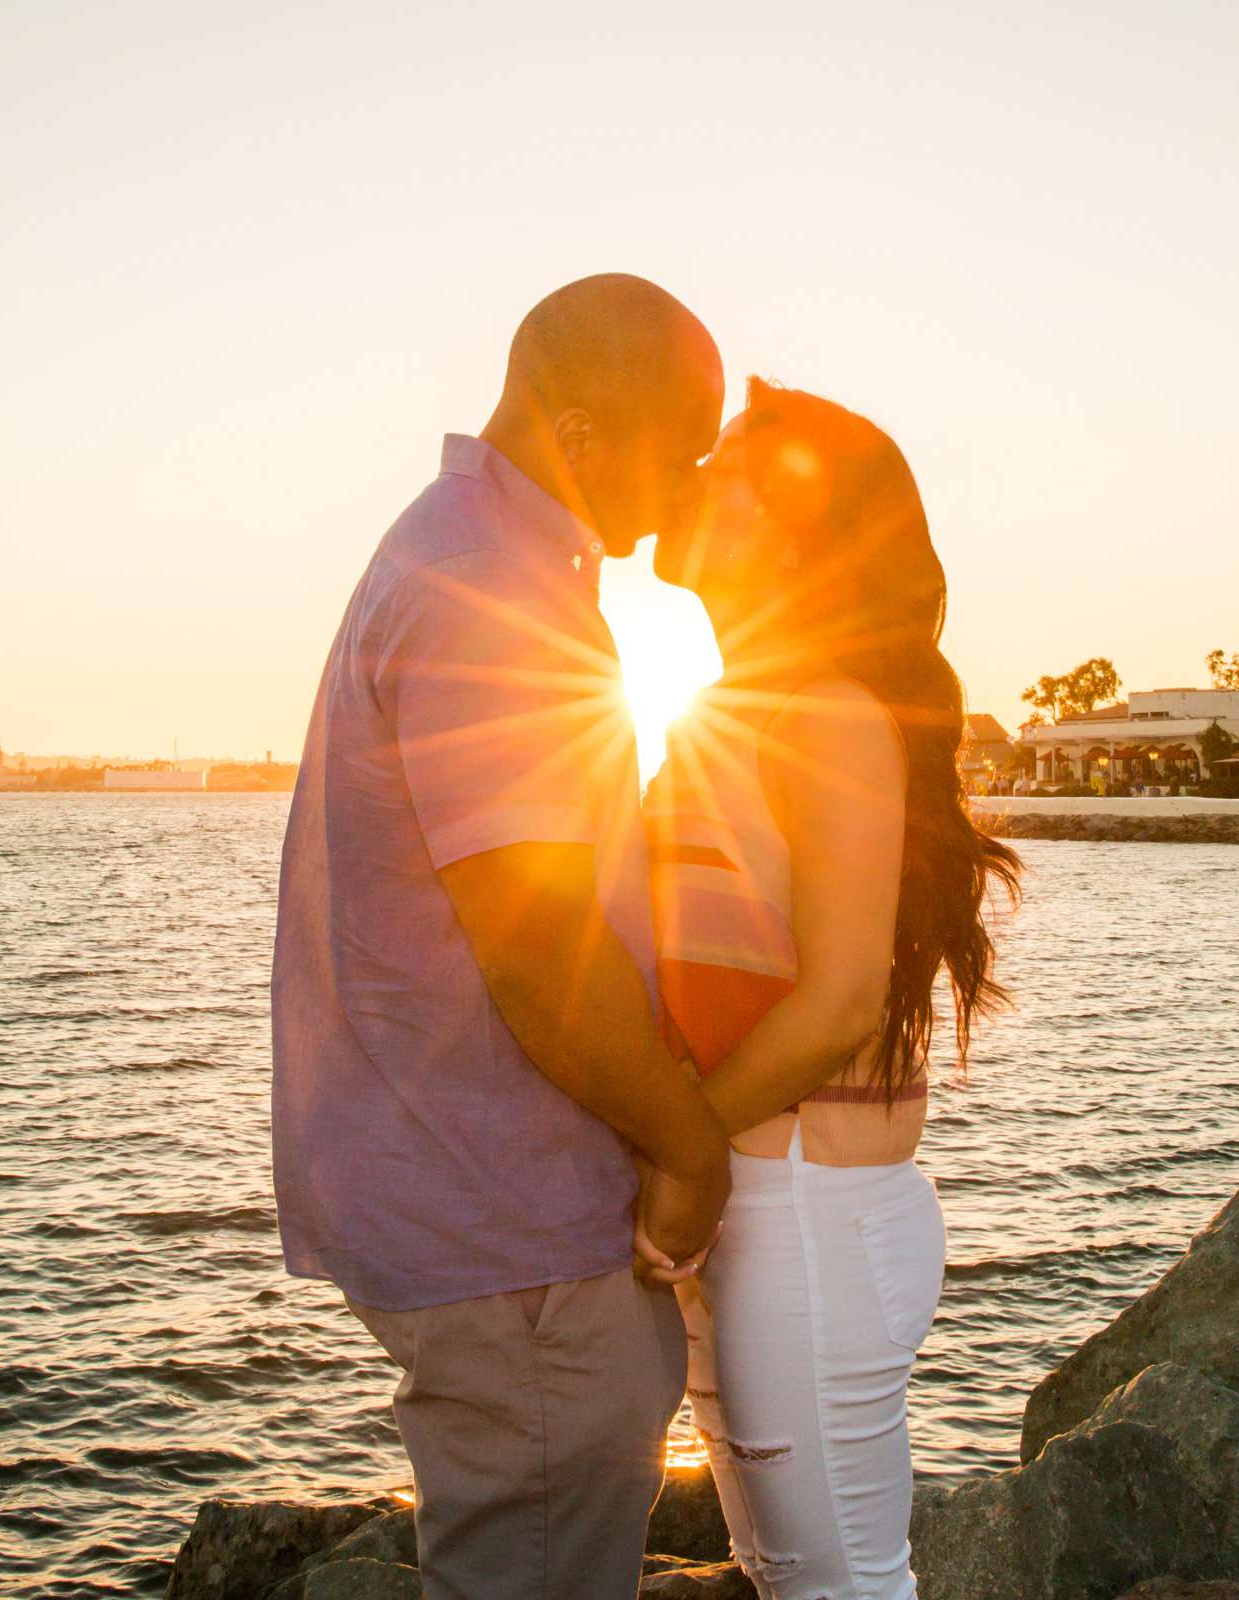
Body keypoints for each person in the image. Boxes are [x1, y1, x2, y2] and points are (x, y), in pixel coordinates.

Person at [271, 274, 732, 1600]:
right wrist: (691, 1148)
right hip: (506, 1218)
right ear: (579, 435)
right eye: (676, 446)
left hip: (471, 1191)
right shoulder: (493, 588)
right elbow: (542, 953)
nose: (684, 489)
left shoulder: (470, 548)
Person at [642, 381, 1022, 1599]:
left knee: (841, 1587)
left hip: (800, 1210)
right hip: (757, 1206)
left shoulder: (823, 711)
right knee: (790, 1574)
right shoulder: (736, 710)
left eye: (732, 461)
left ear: (801, 527)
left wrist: (678, 1152)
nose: (693, 471)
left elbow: (842, 999)